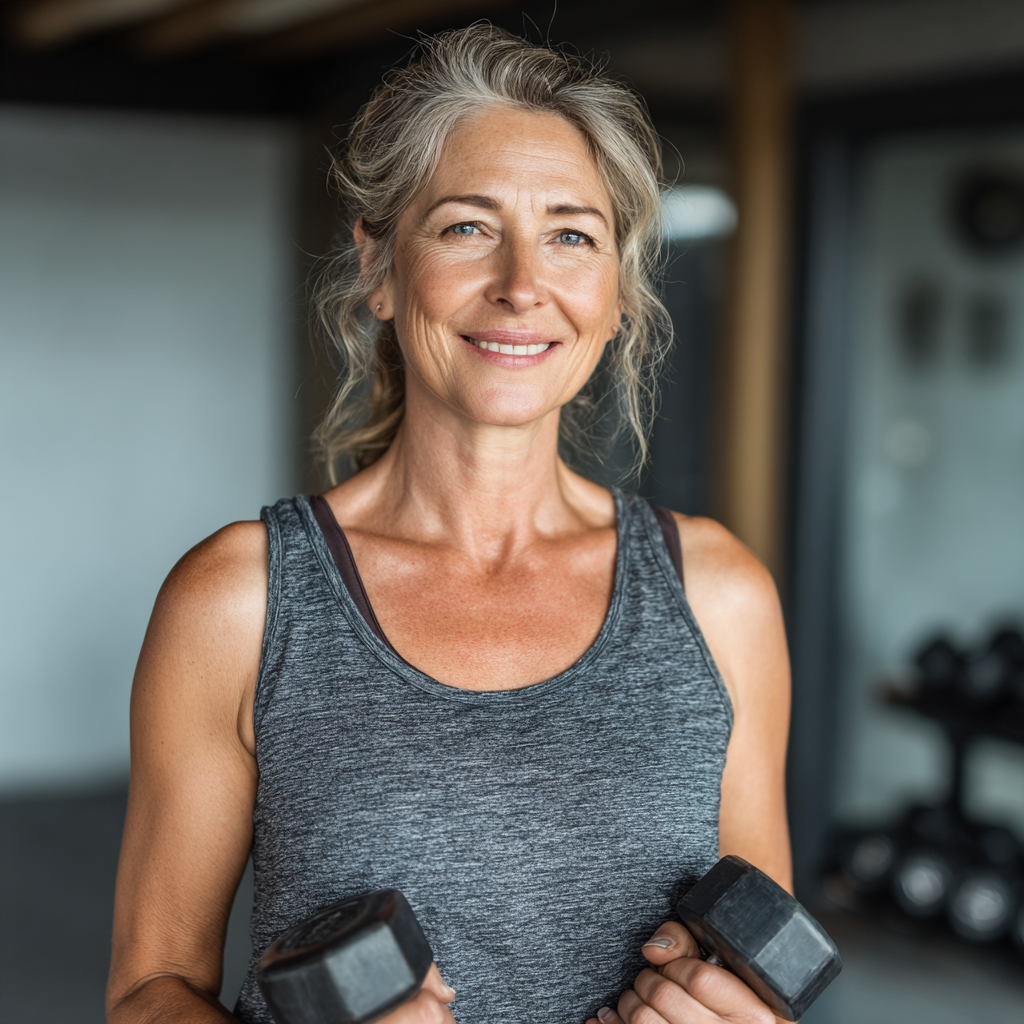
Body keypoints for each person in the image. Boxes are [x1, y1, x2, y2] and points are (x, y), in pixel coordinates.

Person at [106, 24, 790, 1024]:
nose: (522, 284)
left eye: (571, 234)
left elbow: (759, 958)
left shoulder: (719, 595)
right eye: (468, 226)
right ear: (379, 265)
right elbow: (147, 991)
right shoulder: (241, 600)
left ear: (613, 299)